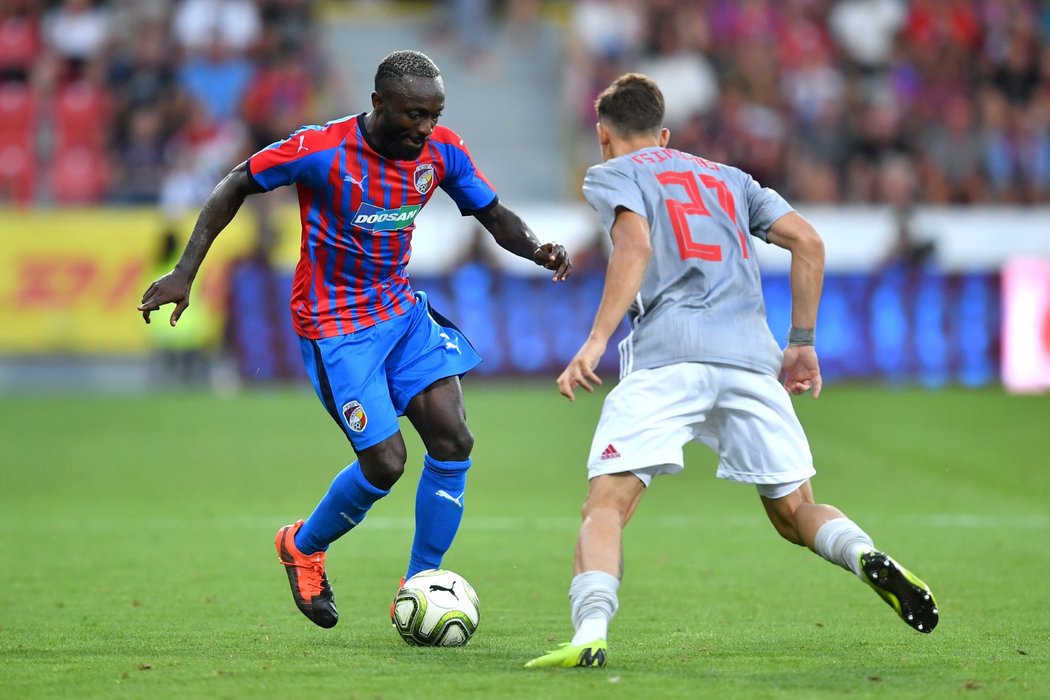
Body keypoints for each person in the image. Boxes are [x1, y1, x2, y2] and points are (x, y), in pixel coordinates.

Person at [138, 50, 573, 629]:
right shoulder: (321, 149)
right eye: (413, 114)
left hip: (400, 312)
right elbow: (236, 183)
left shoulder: (441, 152)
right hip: (335, 326)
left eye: (434, 114)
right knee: (386, 463)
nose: (424, 128)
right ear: (378, 104)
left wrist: (537, 248)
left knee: (453, 439)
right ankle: (303, 545)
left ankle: (419, 582)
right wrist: (186, 272)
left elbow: (493, 215)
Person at [525, 73, 936, 670]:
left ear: (603, 135)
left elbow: (634, 246)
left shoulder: (612, 173)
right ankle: (863, 553)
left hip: (669, 355)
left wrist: (594, 342)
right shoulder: (730, 179)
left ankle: (590, 631)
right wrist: (801, 343)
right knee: (796, 514)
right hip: (750, 358)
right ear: (664, 134)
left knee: (606, 506)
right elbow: (809, 243)